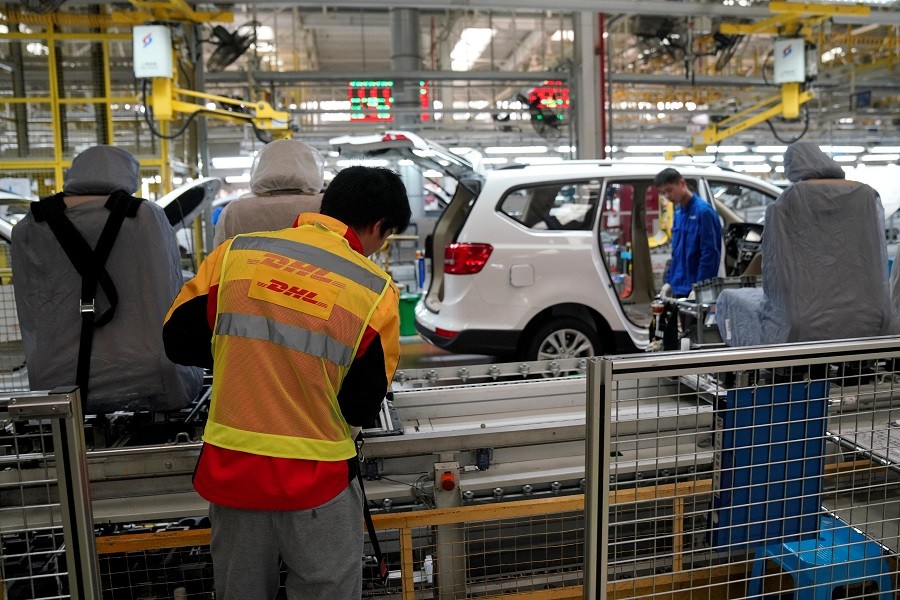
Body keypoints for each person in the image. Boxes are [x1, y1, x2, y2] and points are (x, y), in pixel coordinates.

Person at [163, 166, 411, 599]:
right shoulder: (373, 291)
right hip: (319, 483)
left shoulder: (235, 255)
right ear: (377, 227)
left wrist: (241, 355)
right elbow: (360, 407)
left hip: (233, 473)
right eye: (384, 238)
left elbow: (177, 339)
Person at [12, 145, 203, 415]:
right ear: (129, 176)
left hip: (58, 377)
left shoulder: (34, 222)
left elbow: (32, 303)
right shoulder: (145, 217)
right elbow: (170, 288)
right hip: (149, 372)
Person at [212, 139, 325, 248]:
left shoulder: (235, 212)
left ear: (262, 166)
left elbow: (219, 257)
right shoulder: (325, 206)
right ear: (311, 166)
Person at [654, 167, 722, 297]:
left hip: (694, 290)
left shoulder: (703, 213)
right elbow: (676, 254)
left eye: (669, 190)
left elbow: (710, 255)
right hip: (678, 288)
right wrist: (669, 282)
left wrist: (701, 288)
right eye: (663, 193)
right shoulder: (679, 214)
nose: (667, 196)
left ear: (682, 183)